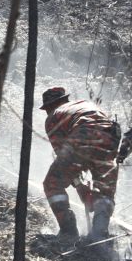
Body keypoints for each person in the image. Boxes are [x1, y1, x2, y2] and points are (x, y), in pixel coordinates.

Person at [39, 86, 119, 243]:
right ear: (65, 99)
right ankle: (99, 236)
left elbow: (65, 157)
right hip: (111, 138)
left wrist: (79, 187)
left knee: (52, 183)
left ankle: (68, 232)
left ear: (49, 106)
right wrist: (82, 188)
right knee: (105, 191)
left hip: (82, 137)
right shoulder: (86, 105)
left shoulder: (54, 116)